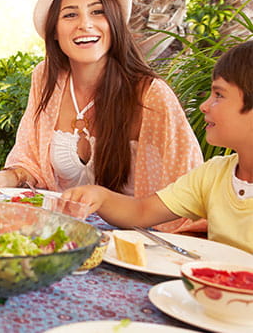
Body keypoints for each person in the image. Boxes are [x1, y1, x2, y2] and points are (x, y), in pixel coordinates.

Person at [0, 0, 203, 233]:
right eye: (70, 15)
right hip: (56, 235)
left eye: (98, 12)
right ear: (54, 30)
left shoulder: (150, 94)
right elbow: (31, 163)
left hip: (135, 249)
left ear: (114, 22)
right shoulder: (45, 79)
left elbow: (187, 192)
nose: (85, 24)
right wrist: (4, 177)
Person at [62, 41, 253, 253]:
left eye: (219, 95)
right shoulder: (213, 174)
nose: (204, 106)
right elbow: (142, 211)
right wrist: (100, 196)